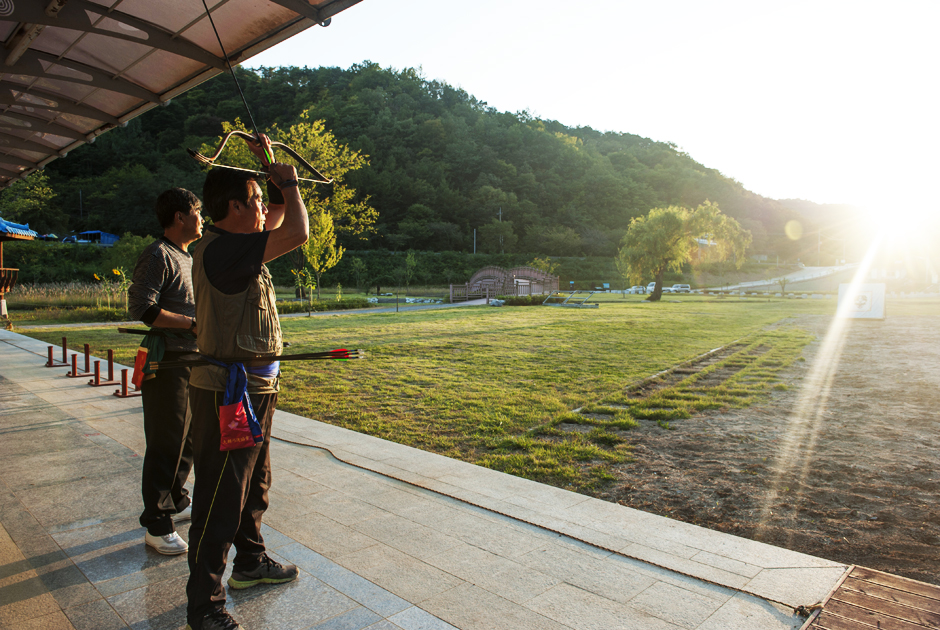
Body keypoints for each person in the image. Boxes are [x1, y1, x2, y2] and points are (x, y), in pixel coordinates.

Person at [185, 136, 309, 630]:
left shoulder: (236, 244)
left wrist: (270, 174)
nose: (263, 209)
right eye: (255, 201)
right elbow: (297, 229)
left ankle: (252, 564)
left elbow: (279, 217)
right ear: (234, 207)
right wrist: (291, 182)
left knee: (253, 484)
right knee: (220, 496)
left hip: (254, 389)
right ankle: (205, 606)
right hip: (228, 392)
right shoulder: (227, 250)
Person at [127, 188, 204, 555]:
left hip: (192, 359)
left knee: (188, 439)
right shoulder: (158, 254)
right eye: (197, 213)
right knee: (166, 440)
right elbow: (141, 307)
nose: (201, 219)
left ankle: (176, 500)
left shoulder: (190, 256)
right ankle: (157, 524)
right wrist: (190, 324)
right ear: (180, 217)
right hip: (167, 360)